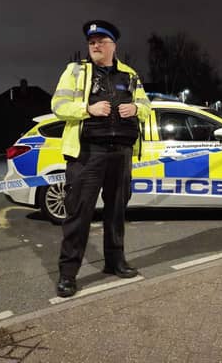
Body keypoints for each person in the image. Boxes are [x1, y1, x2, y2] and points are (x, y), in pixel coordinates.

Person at [51, 19, 151, 298]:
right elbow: (58, 106)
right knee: (79, 215)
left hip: (121, 152)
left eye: (100, 42)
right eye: (91, 42)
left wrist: (136, 108)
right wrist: (88, 108)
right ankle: (68, 275)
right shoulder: (75, 71)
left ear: (113, 46)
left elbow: (146, 106)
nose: (94, 46)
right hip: (88, 153)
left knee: (117, 211)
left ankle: (115, 261)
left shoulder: (129, 74)